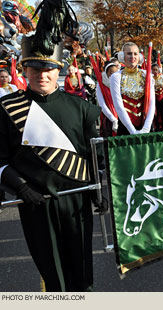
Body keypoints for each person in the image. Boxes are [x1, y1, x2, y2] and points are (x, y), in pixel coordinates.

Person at [0, 26, 101, 290]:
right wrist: (20, 185)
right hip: (36, 204)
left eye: (48, 69)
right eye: (34, 68)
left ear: (59, 70)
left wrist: (102, 194)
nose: (42, 75)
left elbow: (96, 158)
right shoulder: (7, 109)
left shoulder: (83, 109)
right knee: (53, 277)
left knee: (81, 275)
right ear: (24, 70)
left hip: (76, 200)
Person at [110, 42, 155, 135]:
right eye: (129, 53)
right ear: (122, 56)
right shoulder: (116, 77)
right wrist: (132, 131)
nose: (133, 56)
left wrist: (146, 128)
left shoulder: (146, 75)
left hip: (145, 124)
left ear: (140, 57)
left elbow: (151, 103)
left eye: (135, 54)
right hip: (125, 127)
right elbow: (118, 106)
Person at [96, 59, 120, 137]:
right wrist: (113, 119)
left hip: (120, 116)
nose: (113, 75)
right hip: (108, 117)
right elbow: (101, 103)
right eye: (111, 72)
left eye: (115, 72)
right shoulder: (101, 83)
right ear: (106, 73)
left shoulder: (120, 83)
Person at [152, 63, 163, 131]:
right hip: (154, 99)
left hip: (162, 98)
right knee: (156, 115)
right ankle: (157, 129)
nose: (155, 71)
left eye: (156, 70)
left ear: (159, 70)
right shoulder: (151, 78)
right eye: (153, 70)